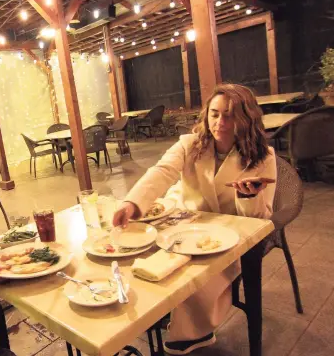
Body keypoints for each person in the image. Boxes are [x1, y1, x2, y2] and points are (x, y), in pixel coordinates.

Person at [113, 83, 277, 355]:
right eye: (214, 113)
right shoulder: (190, 144)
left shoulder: (263, 156)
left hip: (228, 232)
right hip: (184, 220)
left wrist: (248, 197)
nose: (220, 122)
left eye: (229, 115)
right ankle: (163, 310)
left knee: (198, 273)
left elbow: (259, 220)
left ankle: (192, 330)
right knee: (145, 253)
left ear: (246, 118)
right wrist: (132, 202)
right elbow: (163, 170)